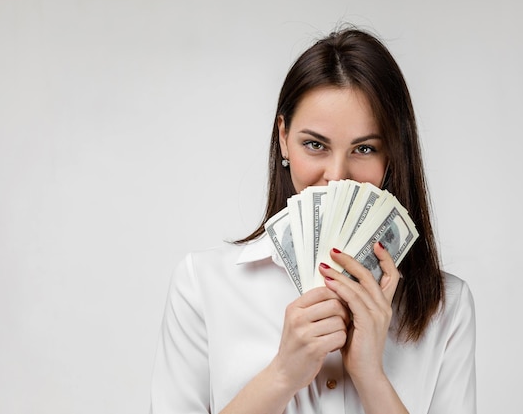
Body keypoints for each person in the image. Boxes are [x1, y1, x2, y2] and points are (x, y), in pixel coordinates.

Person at [150, 27, 476, 414]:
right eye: (315, 145)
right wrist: (282, 375)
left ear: (393, 155)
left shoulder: (446, 305)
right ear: (284, 137)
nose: (337, 175)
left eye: (365, 148)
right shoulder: (203, 285)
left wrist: (371, 376)